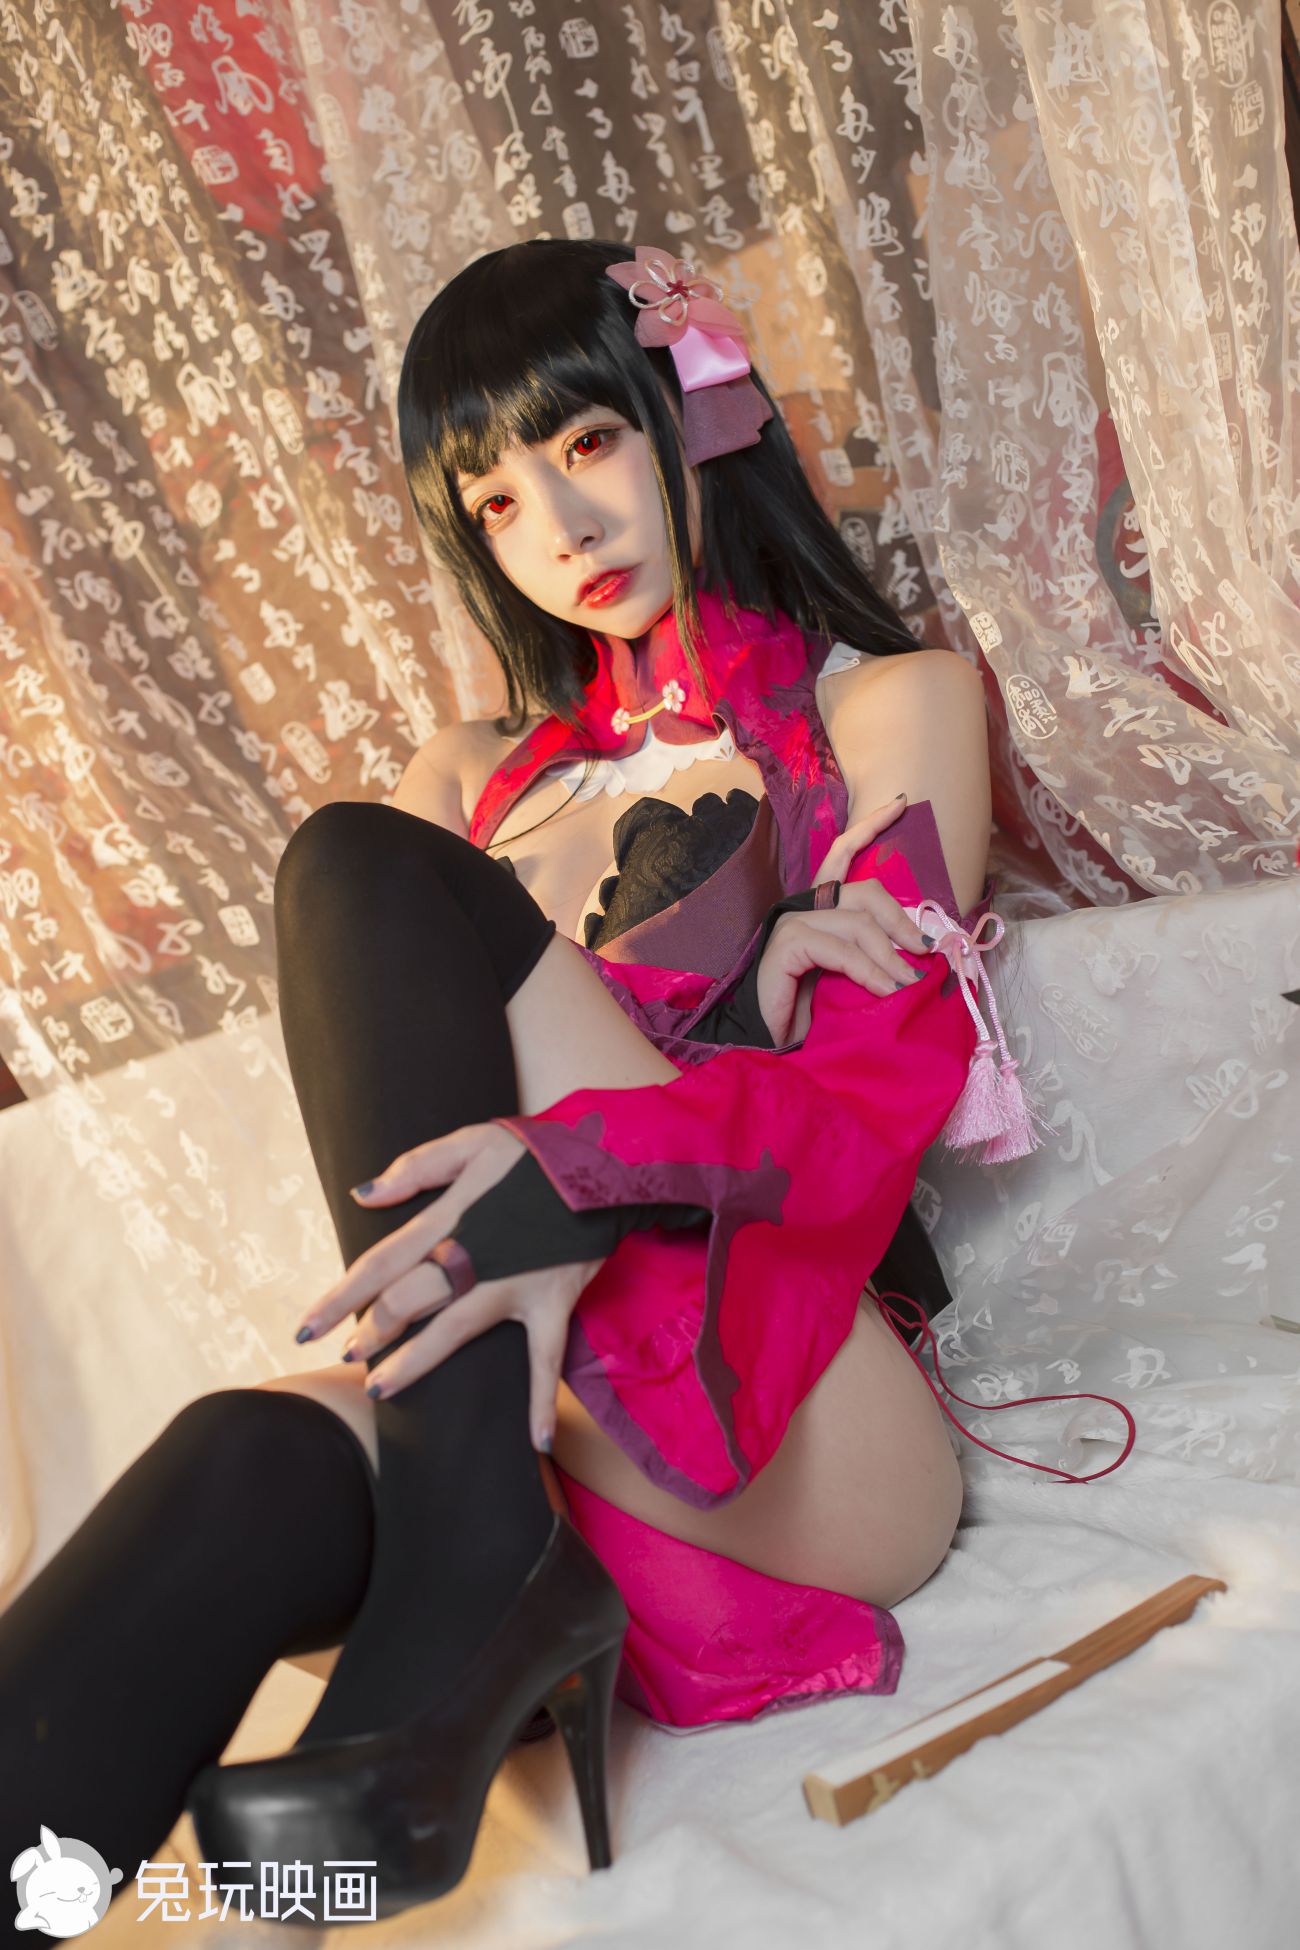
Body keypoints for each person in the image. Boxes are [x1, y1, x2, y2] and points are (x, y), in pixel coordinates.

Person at [0, 238, 1134, 1926]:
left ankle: (466, 1573)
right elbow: (412, 1137)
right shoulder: (469, 780)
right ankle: (449, 1612)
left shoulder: (886, 706)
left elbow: (862, 1107)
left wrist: (589, 1153)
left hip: (803, 1415)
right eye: (496, 501)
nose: (560, 527)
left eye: (589, 442)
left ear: (698, 412)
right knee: (243, 1458)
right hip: (547, 1439)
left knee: (356, 865)